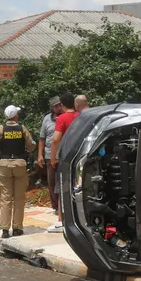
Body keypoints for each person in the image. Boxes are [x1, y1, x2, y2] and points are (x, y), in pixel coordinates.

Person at [0, 105, 35, 239]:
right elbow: (31, 146)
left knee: (5, 197)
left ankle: (5, 229)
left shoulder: (0, 129)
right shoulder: (22, 129)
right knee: (19, 197)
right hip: (19, 165)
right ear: (15, 115)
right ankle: (17, 228)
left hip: (4, 165)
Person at [49, 92, 79, 233]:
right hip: (79, 157)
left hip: (65, 158)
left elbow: (55, 139)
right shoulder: (81, 116)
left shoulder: (61, 118)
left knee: (62, 189)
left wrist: (54, 158)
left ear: (62, 105)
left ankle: (61, 221)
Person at [37, 95, 62, 212]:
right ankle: (55, 206)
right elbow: (42, 138)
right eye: (55, 106)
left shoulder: (65, 117)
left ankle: (63, 207)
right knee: (51, 181)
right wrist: (40, 155)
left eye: (58, 105)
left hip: (62, 155)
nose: (57, 108)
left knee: (62, 181)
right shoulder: (47, 119)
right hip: (49, 156)